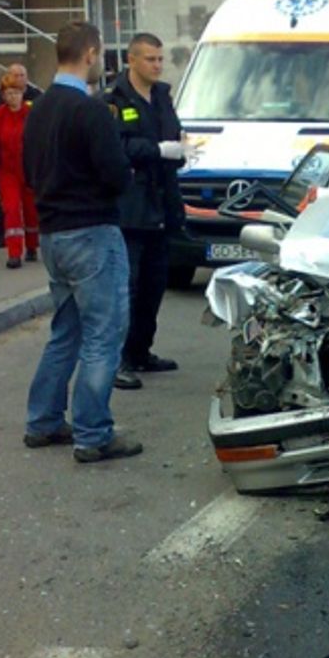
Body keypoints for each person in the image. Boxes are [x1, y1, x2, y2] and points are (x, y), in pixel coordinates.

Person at [22, 21, 139, 462]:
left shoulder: (40, 108)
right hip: (92, 230)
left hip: (53, 233)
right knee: (103, 334)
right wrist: (126, 176)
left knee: (66, 331)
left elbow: (30, 172)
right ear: (90, 53)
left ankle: (44, 420)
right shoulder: (91, 111)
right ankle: (93, 433)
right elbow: (115, 173)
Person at [105, 32, 186, 390]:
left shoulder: (163, 96)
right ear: (131, 60)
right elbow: (117, 145)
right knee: (129, 286)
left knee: (154, 285)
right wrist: (157, 149)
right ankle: (119, 358)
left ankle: (141, 351)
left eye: (159, 59)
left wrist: (179, 149)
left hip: (162, 202)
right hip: (131, 208)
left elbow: (175, 134)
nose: (157, 65)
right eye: (150, 59)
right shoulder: (114, 100)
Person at [0, 74, 39, 268]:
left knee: (31, 210)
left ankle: (32, 245)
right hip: (7, 171)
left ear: (22, 93)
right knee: (12, 209)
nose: (12, 97)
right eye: (8, 93)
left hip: (28, 169)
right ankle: (14, 252)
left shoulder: (32, 114)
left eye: (16, 92)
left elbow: (40, 141)